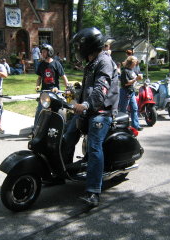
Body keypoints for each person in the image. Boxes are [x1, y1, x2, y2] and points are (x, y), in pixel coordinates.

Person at [63, 27, 119, 207]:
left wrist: (86, 104)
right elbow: (88, 88)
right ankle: (62, 172)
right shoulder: (92, 61)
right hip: (88, 110)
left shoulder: (104, 62)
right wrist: (74, 92)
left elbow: (100, 89)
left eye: (79, 45)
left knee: (94, 146)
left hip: (102, 112)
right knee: (67, 135)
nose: (78, 49)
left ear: (88, 45)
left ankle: (94, 191)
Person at [33, 43, 69, 127]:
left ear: (49, 52)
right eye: (42, 52)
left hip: (55, 92)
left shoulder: (56, 64)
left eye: (44, 52)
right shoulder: (41, 65)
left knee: (60, 109)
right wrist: (38, 85)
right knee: (39, 110)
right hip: (44, 92)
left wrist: (68, 86)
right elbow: (39, 78)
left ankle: (61, 128)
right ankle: (35, 130)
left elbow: (63, 76)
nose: (42, 53)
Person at [118, 56, 143, 131]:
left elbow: (135, 79)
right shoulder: (125, 71)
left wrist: (139, 78)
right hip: (125, 92)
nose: (136, 63)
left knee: (134, 108)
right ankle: (121, 126)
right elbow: (125, 83)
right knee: (123, 110)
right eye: (135, 62)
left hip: (131, 92)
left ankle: (135, 125)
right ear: (131, 62)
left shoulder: (133, 70)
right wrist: (136, 79)